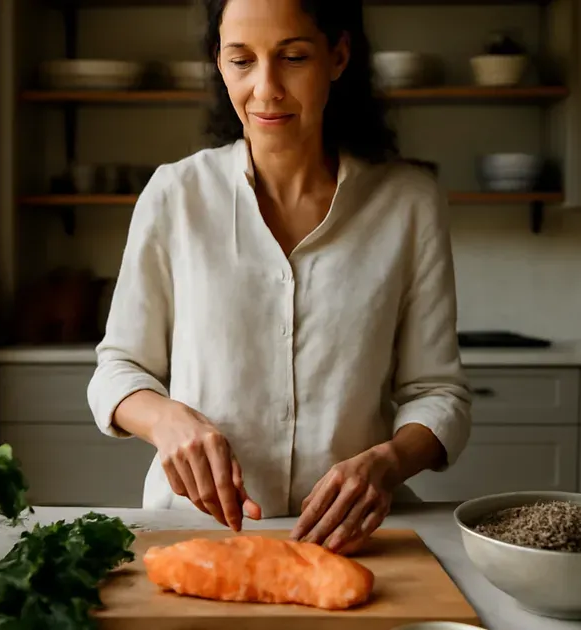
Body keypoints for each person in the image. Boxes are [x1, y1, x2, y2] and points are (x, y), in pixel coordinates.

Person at [86, 0, 472, 554]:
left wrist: (387, 463)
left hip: (359, 537)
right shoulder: (175, 196)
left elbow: (438, 391)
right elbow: (118, 369)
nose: (265, 88)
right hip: (198, 532)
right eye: (241, 61)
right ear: (218, 63)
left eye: (292, 57)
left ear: (338, 56)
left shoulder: (409, 203)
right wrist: (168, 421)